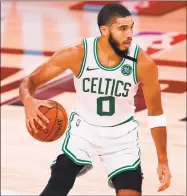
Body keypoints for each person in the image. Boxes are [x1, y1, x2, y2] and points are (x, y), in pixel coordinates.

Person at [19, 3, 172, 196]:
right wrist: (28, 100)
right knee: (59, 180)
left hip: (121, 135)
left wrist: (163, 160)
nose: (130, 34)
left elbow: (156, 115)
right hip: (84, 129)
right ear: (105, 30)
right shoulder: (78, 53)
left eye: (131, 27)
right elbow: (30, 81)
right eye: (122, 28)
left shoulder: (143, 63)